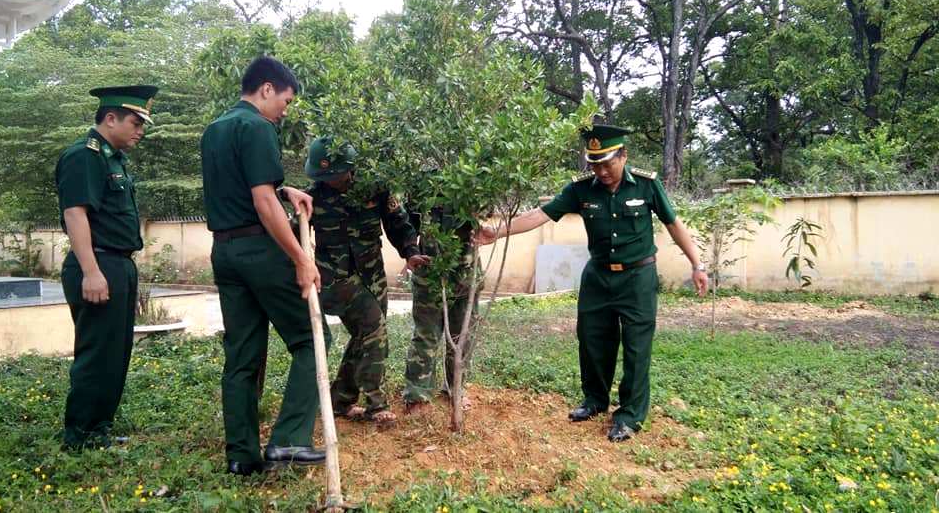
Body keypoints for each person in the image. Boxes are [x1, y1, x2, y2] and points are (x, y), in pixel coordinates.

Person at [475, 124, 709, 442]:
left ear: (623, 156)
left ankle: (629, 415)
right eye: (595, 164)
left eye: (607, 163)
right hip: (597, 276)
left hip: (637, 277)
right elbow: (540, 215)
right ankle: (595, 400)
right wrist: (497, 231)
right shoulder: (581, 190)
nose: (601, 171)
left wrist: (697, 264)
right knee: (592, 340)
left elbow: (674, 224)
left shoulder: (646, 185)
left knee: (637, 348)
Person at [200, 56, 325, 476]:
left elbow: (245, 184)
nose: (285, 110)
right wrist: (300, 258)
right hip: (259, 251)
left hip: (224, 252)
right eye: (286, 100)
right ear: (267, 89)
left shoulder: (215, 129)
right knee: (313, 336)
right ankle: (289, 440)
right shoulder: (257, 127)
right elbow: (262, 202)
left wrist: (283, 187)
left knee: (242, 355)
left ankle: (242, 456)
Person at [56, 85, 158, 450]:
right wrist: (91, 271)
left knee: (115, 352)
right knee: (97, 352)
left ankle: (99, 430)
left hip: (118, 263)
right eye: (135, 122)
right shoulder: (85, 156)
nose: (140, 131)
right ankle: (80, 436)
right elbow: (75, 213)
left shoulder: (113, 159)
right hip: (97, 262)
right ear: (110, 118)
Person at [303, 136, 429, 425]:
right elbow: (292, 234)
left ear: (349, 168)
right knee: (374, 329)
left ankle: (341, 399)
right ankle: (376, 404)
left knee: (365, 336)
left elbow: (399, 223)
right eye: (324, 176)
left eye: (334, 174)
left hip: (372, 276)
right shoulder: (313, 197)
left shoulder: (376, 188)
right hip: (336, 281)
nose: (330, 180)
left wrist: (410, 252)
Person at [402, 197, 480, 413]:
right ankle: (417, 395)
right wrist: (410, 251)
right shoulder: (422, 186)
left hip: (465, 273)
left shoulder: (474, 181)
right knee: (426, 336)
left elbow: (487, 213)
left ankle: (456, 389)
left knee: (461, 337)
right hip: (430, 273)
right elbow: (407, 223)